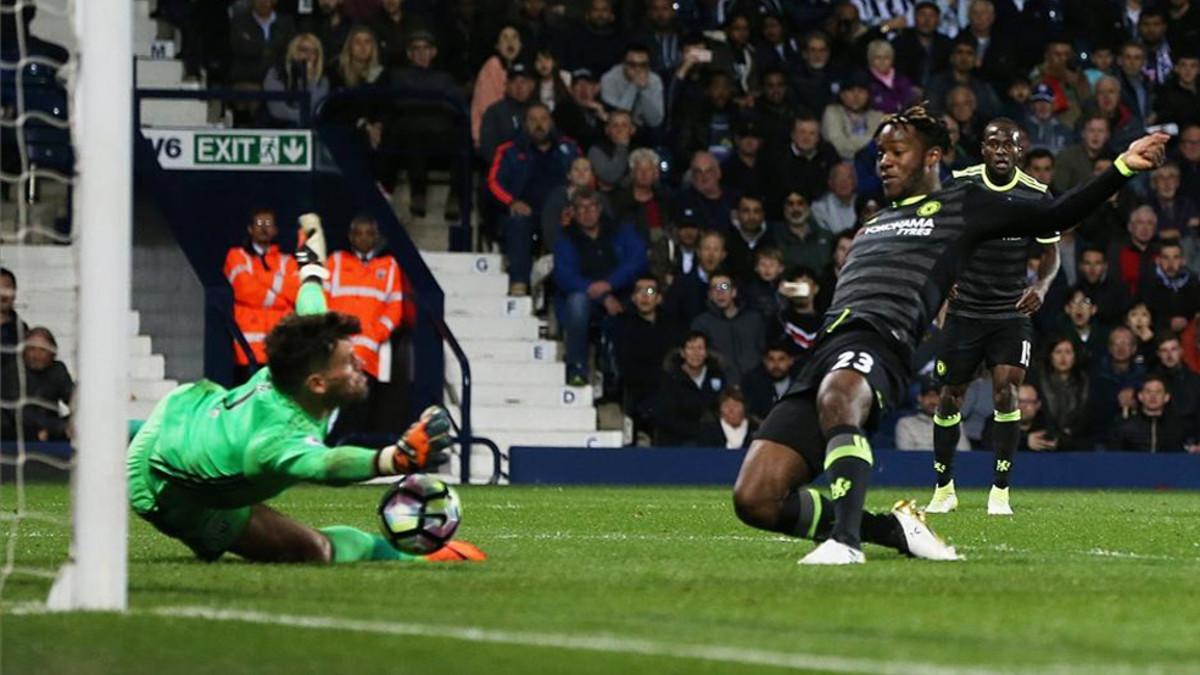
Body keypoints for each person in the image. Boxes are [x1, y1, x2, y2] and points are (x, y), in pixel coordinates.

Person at [733, 102, 1167, 564]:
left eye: (898, 150)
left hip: (878, 342)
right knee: (756, 498)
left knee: (842, 396)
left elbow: (1055, 215)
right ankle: (895, 530)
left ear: (933, 157)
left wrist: (1122, 167)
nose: (885, 161)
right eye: (881, 153)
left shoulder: (965, 204)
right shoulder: (876, 221)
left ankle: (845, 540)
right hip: (825, 352)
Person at [128, 219, 484, 564]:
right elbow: (328, 465)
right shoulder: (277, 440)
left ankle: (117, 429)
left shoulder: (301, 369)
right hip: (169, 487)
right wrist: (395, 459)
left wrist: (310, 269)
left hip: (185, 416)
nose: (360, 363)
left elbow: (310, 306)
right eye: (348, 362)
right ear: (317, 383)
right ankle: (415, 557)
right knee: (315, 551)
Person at [927, 118, 1062, 516]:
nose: (1002, 150)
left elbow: (1051, 253)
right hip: (965, 309)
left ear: (1021, 152)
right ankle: (944, 488)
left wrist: (1040, 287)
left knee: (1007, 390)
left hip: (1009, 310)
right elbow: (936, 233)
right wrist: (942, 276)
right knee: (950, 397)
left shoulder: (1035, 194)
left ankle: (1000, 490)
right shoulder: (961, 184)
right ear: (982, 149)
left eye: (1010, 144)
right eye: (993, 143)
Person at [324, 215, 411, 438]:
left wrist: (376, 333)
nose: (364, 238)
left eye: (369, 233)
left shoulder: (389, 266)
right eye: (359, 233)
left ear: (377, 237)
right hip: (336, 351)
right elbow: (323, 300)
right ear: (350, 236)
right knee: (331, 410)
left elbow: (394, 308)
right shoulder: (336, 261)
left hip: (369, 354)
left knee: (359, 412)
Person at [551, 188, 647, 385]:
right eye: (581, 208)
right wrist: (603, 296)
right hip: (587, 301)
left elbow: (638, 259)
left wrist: (610, 284)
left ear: (600, 208)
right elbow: (565, 276)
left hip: (622, 293)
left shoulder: (620, 230)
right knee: (577, 302)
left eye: (592, 207)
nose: (587, 212)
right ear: (573, 212)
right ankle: (577, 369)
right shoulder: (565, 239)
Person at [488, 102, 581, 295]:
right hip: (525, 211)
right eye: (533, 120)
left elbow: (585, 177)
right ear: (525, 124)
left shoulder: (569, 149)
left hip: (561, 211)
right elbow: (494, 182)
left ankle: (565, 288)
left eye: (544, 119)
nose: (539, 125)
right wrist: (511, 202)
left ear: (552, 122)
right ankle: (519, 284)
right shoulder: (509, 150)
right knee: (518, 223)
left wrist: (576, 203)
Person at [224, 208, 300, 378]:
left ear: (275, 230)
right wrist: (281, 296)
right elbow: (245, 290)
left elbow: (296, 294)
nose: (264, 228)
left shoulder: (288, 262)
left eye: (268, 224)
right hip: (247, 354)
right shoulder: (236, 256)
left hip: (279, 353)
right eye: (259, 224)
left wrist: (259, 277)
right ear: (250, 229)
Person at [615, 275, 679, 442]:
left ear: (658, 298)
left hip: (672, 388)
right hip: (640, 391)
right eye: (639, 291)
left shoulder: (672, 325)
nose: (644, 296)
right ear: (633, 297)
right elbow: (626, 367)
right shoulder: (623, 326)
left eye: (650, 291)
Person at [690, 273, 765, 386]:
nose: (720, 292)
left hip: (755, 385)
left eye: (724, 287)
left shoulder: (754, 319)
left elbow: (764, 351)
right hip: (720, 387)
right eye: (715, 288)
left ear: (734, 292)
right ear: (710, 295)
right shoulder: (701, 323)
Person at [654, 331, 727, 446]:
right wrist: (697, 430)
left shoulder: (717, 376)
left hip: (712, 440)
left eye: (700, 348)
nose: (695, 353)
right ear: (683, 353)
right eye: (691, 348)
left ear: (707, 353)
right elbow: (667, 416)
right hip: (678, 441)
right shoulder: (670, 379)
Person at [0, 327, 73, 442]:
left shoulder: (57, 370)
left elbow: (73, 399)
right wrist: (59, 427)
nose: (36, 355)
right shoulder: (12, 371)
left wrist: (73, 423)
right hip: (13, 434)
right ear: (23, 351)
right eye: (32, 349)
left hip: (49, 433)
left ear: (52, 353)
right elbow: (21, 414)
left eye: (42, 350)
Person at [470, 25, 524, 149]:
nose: (510, 42)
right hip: (492, 131)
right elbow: (488, 109)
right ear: (497, 46)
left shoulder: (522, 69)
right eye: (505, 38)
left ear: (521, 45)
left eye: (514, 37)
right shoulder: (492, 66)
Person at [263, 33, 330, 127]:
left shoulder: (322, 80)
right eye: (304, 50)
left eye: (314, 51)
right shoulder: (277, 73)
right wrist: (302, 117)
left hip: (311, 128)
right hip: (279, 126)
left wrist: (310, 80)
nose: (309, 55)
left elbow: (315, 108)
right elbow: (277, 109)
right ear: (294, 51)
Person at [1036, 338, 1092, 450]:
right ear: (1050, 356)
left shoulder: (1086, 382)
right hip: (1044, 441)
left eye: (1068, 352)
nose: (1063, 358)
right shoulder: (1038, 381)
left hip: (1078, 443)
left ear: (1075, 356)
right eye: (1058, 352)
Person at [229, 0, 297, 89]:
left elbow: (290, 50)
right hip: (248, 78)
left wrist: (257, 46)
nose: (263, 2)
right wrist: (272, 49)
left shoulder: (286, 23)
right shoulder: (239, 22)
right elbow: (241, 49)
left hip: (280, 76)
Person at [600, 42, 666, 131]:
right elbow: (620, 119)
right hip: (616, 130)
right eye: (632, 64)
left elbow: (655, 121)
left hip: (644, 129)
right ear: (623, 64)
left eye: (643, 65)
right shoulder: (608, 79)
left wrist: (644, 91)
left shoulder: (654, 80)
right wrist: (634, 86)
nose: (638, 70)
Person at [612, 148, 671, 246]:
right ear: (632, 173)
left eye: (648, 169)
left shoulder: (665, 199)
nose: (644, 174)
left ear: (655, 173)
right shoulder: (619, 201)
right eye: (639, 169)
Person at [1109, 375, 1186, 451]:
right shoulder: (1125, 427)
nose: (1153, 396)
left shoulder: (1177, 427)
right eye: (1148, 392)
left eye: (1158, 392)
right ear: (1140, 396)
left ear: (1166, 397)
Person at [822, 70, 885, 161]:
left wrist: (850, 140)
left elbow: (881, 146)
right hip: (841, 163)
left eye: (861, 91)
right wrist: (870, 142)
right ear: (842, 95)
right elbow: (838, 145)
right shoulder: (832, 112)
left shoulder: (877, 116)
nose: (856, 96)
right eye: (851, 91)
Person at [895, 380, 971, 451]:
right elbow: (907, 457)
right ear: (920, 398)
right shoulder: (905, 424)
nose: (932, 401)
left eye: (936, 396)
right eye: (928, 396)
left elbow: (964, 455)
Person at [980, 383, 1054, 453]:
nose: (1022, 407)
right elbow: (989, 443)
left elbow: (1061, 440)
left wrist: (1054, 443)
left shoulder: (1046, 422)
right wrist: (1025, 441)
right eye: (1018, 401)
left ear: (1038, 405)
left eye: (1028, 402)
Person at [770, 192, 833, 272]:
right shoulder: (774, 237)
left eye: (800, 203)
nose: (795, 208)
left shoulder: (826, 236)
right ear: (784, 208)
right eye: (790, 204)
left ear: (808, 207)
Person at [740, 342, 796, 427]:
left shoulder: (800, 383)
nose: (776, 365)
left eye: (781, 359)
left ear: (791, 361)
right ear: (765, 361)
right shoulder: (753, 383)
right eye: (771, 359)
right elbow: (750, 413)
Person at [812, 163, 859, 235]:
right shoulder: (819, 208)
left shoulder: (863, 204)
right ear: (830, 183)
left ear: (855, 182)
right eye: (838, 178)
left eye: (848, 177)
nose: (844, 182)